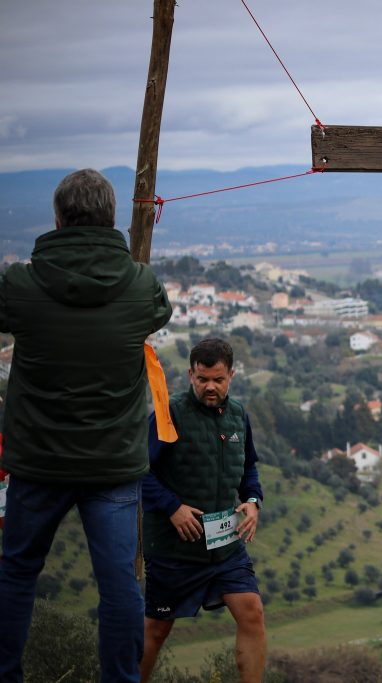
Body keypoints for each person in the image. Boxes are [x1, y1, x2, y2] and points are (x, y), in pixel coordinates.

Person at [0, 168, 173, 683]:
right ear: (112, 219)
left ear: (56, 218)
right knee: (120, 584)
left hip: (37, 461)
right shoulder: (140, 285)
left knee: (15, 574)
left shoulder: (21, 285)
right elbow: (158, 311)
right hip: (113, 464)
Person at [140, 338, 266, 683]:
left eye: (218, 379)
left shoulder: (239, 415)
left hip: (225, 546)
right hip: (173, 548)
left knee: (252, 612)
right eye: (202, 379)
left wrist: (253, 501)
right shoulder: (170, 414)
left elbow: (249, 467)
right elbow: (139, 471)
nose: (210, 386)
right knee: (155, 630)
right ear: (190, 375)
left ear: (232, 376)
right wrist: (172, 508)